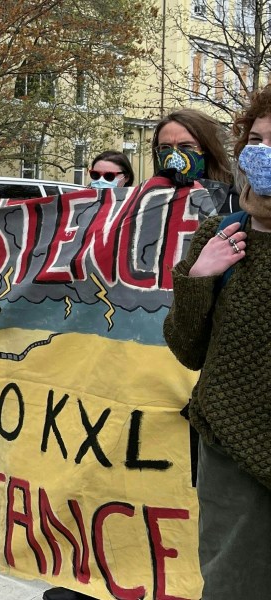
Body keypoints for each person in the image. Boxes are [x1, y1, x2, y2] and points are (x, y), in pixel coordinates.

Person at [163, 84, 271, 599]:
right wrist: (199, 279)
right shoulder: (219, 233)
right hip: (232, 452)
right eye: (258, 140)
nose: (264, 154)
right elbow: (186, 348)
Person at [151, 108, 237, 213]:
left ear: (208, 149)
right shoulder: (149, 203)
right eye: (165, 147)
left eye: (186, 146)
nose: (174, 155)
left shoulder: (233, 204)